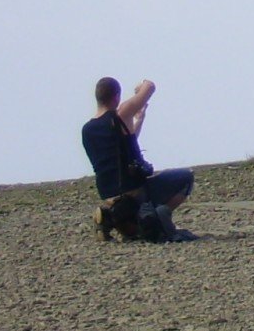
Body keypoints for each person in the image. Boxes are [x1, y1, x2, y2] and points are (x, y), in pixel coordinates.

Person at [82, 77, 195, 239]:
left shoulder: (87, 130)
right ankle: (152, 219)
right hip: (134, 191)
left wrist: (139, 119)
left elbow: (123, 147)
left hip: (109, 194)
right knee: (186, 177)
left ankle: (115, 218)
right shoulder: (120, 114)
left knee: (130, 215)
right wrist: (141, 87)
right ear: (116, 96)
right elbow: (150, 87)